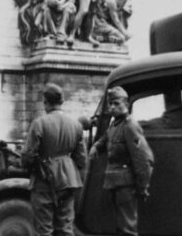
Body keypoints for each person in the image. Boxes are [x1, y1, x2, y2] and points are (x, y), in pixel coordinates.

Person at [22, 83, 87, 236]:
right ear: (62, 101)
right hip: (68, 180)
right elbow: (82, 159)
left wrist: (29, 167)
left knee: (44, 229)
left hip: (44, 180)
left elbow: (28, 155)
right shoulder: (76, 125)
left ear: (45, 101)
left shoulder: (39, 123)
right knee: (65, 228)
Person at [90, 87, 154, 236]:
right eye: (110, 104)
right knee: (120, 225)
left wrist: (143, 186)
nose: (112, 107)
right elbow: (106, 138)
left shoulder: (130, 125)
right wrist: (96, 147)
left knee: (127, 228)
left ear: (126, 104)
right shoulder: (115, 124)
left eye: (116, 103)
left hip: (126, 184)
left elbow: (144, 159)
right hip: (115, 182)